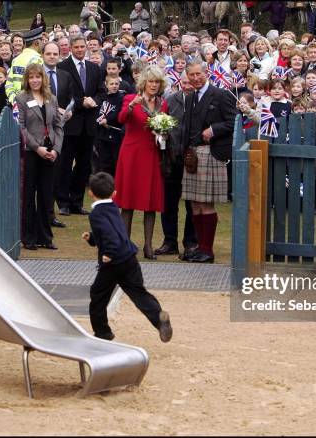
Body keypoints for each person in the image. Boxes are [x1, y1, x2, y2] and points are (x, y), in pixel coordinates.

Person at [81, 172, 172, 342]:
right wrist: (92, 238)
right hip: (129, 259)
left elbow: (109, 235)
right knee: (139, 293)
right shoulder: (114, 207)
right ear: (114, 193)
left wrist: (108, 253)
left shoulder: (96, 214)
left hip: (113, 262)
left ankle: (103, 332)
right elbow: (112, 231)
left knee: (98, 295)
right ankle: (159, 319)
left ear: (90, 193)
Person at [181, 59, 237, 263]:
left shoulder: (220, 94)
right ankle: (198, 247)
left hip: (211, 153)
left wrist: (213, 130)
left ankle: (208, 250)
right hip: (193, 154)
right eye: (191, 75)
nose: (195, 78)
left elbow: (233, 121)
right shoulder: (191, 96)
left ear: (207, 73)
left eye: (198, 74)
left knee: (206, 204)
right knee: (194, 204)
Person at [113, 65, 168, 259]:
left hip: (152, 155)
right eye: (151, 81)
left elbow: (165, 128)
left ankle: (148, 246)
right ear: (143, 82)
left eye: (157, 82)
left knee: (150, 203)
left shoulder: (163, 103)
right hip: (132, 155)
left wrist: (163, 133)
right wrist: (130, 106)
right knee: (127, 202)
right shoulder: (131, 98)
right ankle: (124, 245)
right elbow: (121, 119)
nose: (153, 85)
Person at [16, 63, 64, 250]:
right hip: (31, 152)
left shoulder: (52, 98)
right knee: (29, 194)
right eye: (31, 77)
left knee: (46, 195)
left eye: (38, 77)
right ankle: (29, 237)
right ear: (27, 79)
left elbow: (58, 126)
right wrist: (37, 148)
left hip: (50, 152)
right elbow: (20, 127)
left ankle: (46, 237)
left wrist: (56, 149)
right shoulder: (21, 99)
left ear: (43, 78)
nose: (35, 80)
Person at [55, 36, 101, 216]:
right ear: (70, 48)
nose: (80, 49)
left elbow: (101, 92)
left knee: (83, 165)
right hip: (71, 122)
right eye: (77, 47)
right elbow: (64, 94)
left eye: (83, 46)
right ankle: (63, 202)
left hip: (89, 124)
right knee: (65, 163)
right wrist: (82, 102)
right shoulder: (62, 67)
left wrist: (95, 100)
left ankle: (77, 201)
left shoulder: (94, 68)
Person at [157, 71, 198, 259]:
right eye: (184, 82)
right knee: (168, 203)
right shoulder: (170, 100)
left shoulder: (201, 100)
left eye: (190, 82)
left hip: (193, 159)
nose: (188, 86)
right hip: (171, 159)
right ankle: (169, 242)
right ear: (179, 82)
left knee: (192, 204)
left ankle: (191, 242)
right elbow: (161, 125)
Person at [41, 41, 74, 228]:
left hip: (60, 132)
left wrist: (69, 112)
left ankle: (50, 214)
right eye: (49, 54)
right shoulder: (36, 75)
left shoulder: (65, 76)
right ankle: (41, 214)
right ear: (43, 55)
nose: (53, 56)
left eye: (55, 54)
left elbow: (71, 99)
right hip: (40, 132)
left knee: (55, 174)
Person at [96, 76, 124, 176]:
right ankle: (104, 185)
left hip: (115, 134)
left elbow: (118, 113)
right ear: (106, 85)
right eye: (111, 84)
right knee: (103, 161)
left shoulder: (121, 98)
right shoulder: (103, 98)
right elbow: (99, 112)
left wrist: (107, 120)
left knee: (114, 161)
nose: (114, 86)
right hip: (102, 134)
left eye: (116, 84)